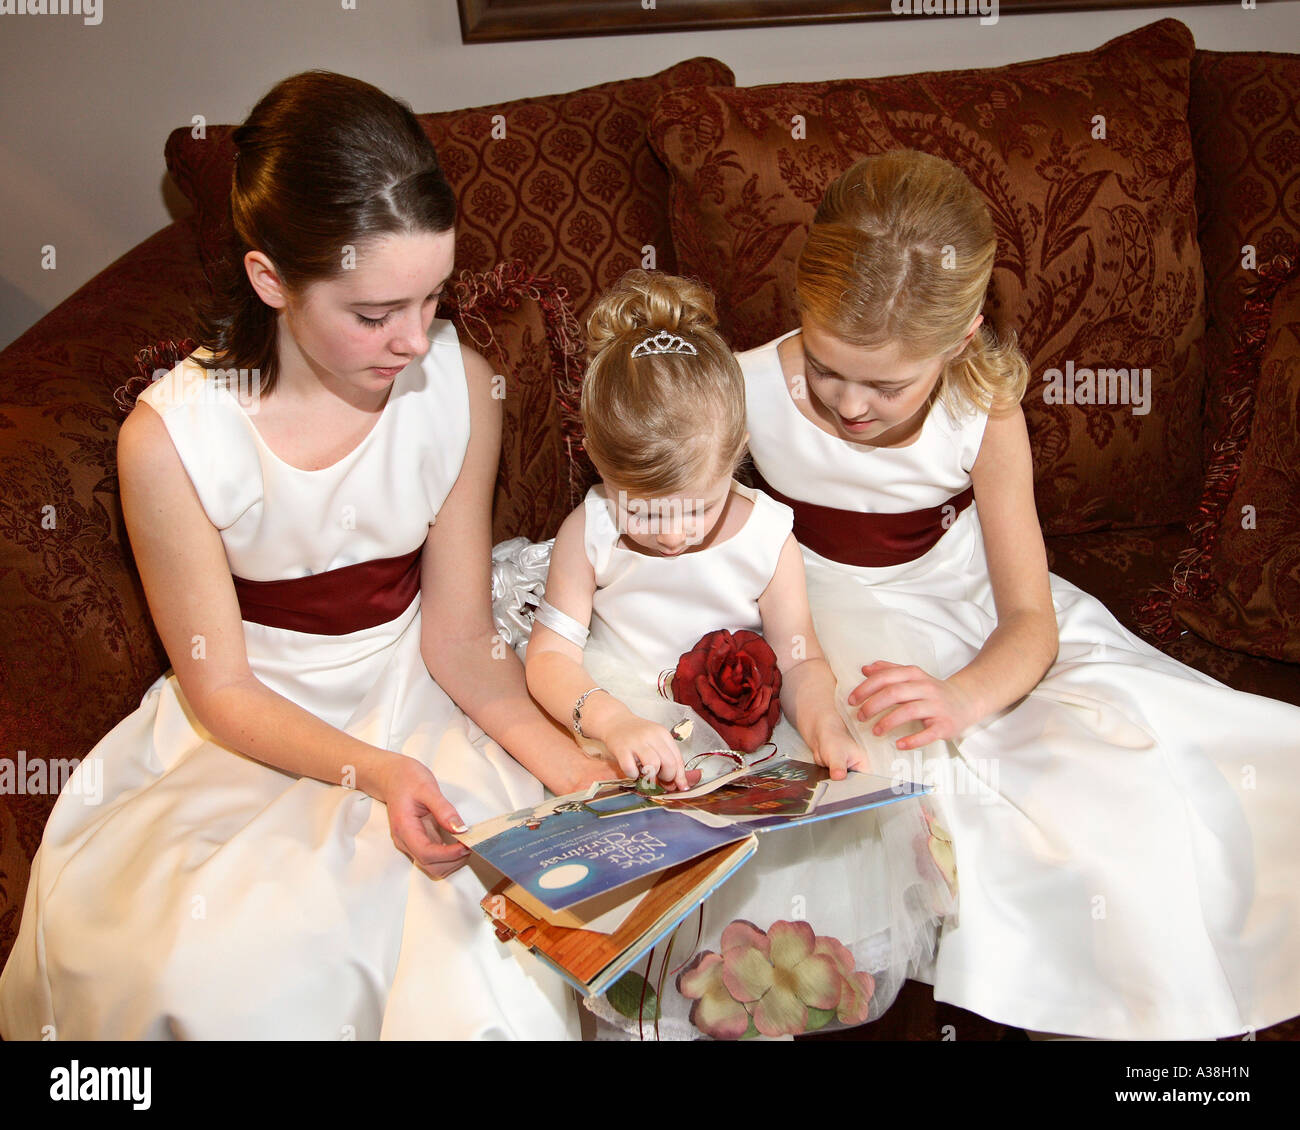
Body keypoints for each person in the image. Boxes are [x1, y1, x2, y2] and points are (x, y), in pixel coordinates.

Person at [0, 71, 611, 1040]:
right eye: (373, 314)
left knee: (478, 964)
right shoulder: (172, 440)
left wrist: (573, 768)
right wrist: (372, 773)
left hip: (421, 689)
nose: (414, 340)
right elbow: (221, 689)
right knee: (213, 970)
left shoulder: (459, 384)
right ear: (270, 279)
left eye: (433, 297)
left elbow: (460, 644)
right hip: (252, 723)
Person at [736, 147, 1300, 1040]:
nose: (847, 405)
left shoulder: (983, 408)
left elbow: (1030, 619)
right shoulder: (745, 389)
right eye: (826, 365)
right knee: (907, 800)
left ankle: (1164, 1039)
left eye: (886, 385)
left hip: (969, 624)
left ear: (959, 341)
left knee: (1117, 786)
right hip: (812, 619)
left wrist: (962, 697)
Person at [522, 269, 954, 1040]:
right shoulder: (586, 533)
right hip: (626, 711)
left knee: (780, 878)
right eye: (643, 509)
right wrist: (613, 722)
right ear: (594, 458)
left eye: (694, 504)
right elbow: (550, 658)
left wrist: (821, 726)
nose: (672, 534)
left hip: (747, 735)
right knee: (650, 887)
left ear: (739, 454)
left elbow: (801, 659)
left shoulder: (766, 535)